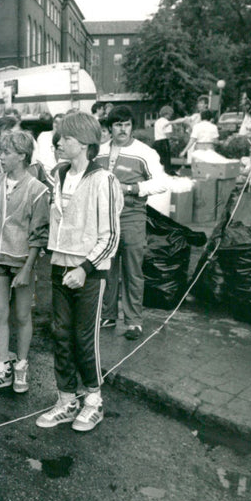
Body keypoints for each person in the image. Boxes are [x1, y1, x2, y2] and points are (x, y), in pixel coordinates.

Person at [35, 112, 122, 432]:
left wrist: (85, 268)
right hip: (59, 265)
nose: (59, 142)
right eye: (59, 137)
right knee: (60, 334)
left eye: (67, 138)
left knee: (84, 339)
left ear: (85, 144)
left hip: (90, 271)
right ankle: (66, 400)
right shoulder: (58, 174)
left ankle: (94, 401)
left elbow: (111, 235)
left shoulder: (104, 180)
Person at [0, 130, 49, 394]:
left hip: (22, 262)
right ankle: (1, 367)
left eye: (6, 152)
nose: (1, 157)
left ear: (21, 156)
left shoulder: (37, 189)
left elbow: (39, 234)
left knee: (21, 315)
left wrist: (28, 268)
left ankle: (21, 366)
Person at [96, 105, 169, 340]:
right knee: (106, 267)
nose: (122, 129)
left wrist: (132, 188)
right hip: (105, 218)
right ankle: (107, 314)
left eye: (127, 125)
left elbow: (161, 182)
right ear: (110, 127)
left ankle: (133, 321)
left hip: (132, 216)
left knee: (133, 269)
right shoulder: (99, 152)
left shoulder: (145, 152)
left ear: (132, 127)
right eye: (118, 125)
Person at [152, 105, 175, 174]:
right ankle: (167, 175)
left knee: (157, 161)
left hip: (156, 142)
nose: (171, 116)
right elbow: (168, 136)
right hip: (163, 143)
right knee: (166, 162)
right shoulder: (167, 122)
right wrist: (175, 138)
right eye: (170, 114)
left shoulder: (157, 122)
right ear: (167, 114)